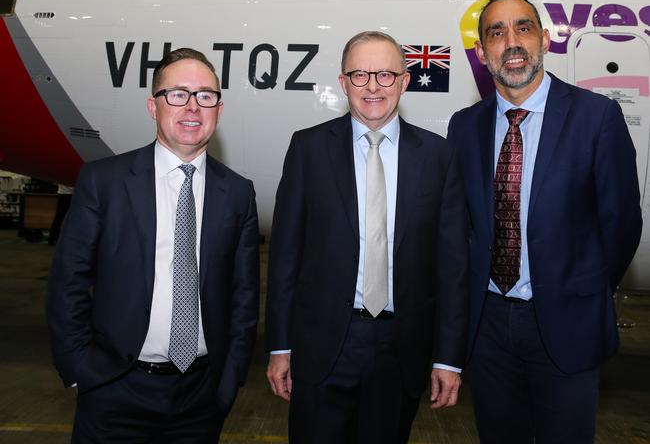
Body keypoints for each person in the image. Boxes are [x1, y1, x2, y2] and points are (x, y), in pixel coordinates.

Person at [447, 0, 642, 444]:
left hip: (566, 326)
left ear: (545, 40)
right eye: (496, 32)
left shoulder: (596, 117)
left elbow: (622, 224)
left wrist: (580, 289)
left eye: (523, 27)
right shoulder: (464, 127)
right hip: (489, 329)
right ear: (482, 54)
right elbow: (460, 228)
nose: (510, 41)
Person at [46, 48, 260, 442]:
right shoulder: (103, 182)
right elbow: (68, 283)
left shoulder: (237, 193)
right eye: (177, 94)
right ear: (153, 106)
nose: (192, 106)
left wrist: (230, 378)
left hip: (200, 397)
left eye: (205, 96)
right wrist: (82, 371)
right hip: (114, 388)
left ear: (219, 109)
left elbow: (243, 296)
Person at [265, 31, 468, 443]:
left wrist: (449, 358)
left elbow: (452, 267)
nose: (373, 86)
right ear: (343, 83)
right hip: (323, 346)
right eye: (360, 75)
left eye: (385, 75)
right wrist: (279, 346)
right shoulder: (308, 149)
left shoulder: (438, 156)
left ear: (405, 81)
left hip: (402, 348)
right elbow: (285, 257)